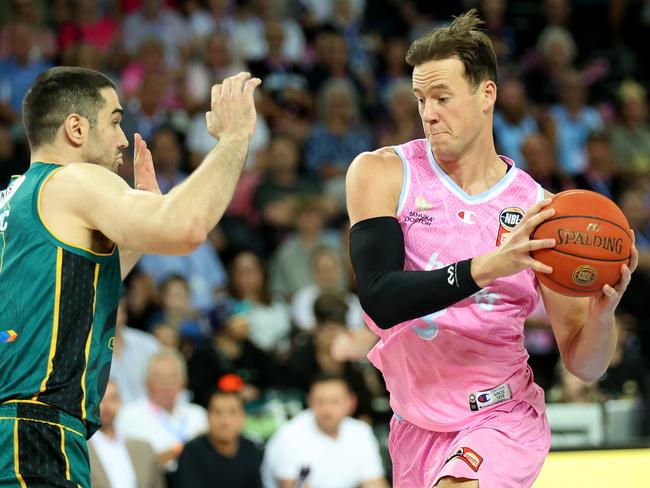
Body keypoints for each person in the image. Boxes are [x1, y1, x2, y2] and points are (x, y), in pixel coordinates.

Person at [345, 9, 638, 488]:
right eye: (421, 99)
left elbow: (584, 365)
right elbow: (379, 296)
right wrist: (489, 266)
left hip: (502, 414)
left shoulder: (543, 212)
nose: (428, 113)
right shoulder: (382, 173)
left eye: (442, 97)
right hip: (415, 422)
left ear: (487, 95)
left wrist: (603, 315)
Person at [0, 66, 260, 487]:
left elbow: (69, 294)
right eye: (116, 121)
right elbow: (187, 227)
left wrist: (138, 236)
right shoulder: (74, 179)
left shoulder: (15, 198)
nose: (123, 138)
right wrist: (236, 137)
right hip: (35, 429)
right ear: (77, 129)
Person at [261, 373, 387, 488]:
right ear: (310, 402)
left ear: (351, 402)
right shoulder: (289, 436)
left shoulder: (361, 432)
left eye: (335, 401)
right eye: (320, 402)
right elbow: (291, 485)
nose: (327, 409)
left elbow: (374, 482)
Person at [176, 387, 263, 488]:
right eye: (217, 412)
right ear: (208, 416)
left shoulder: (250, 448)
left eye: (232, 412)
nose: (224, 420)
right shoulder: (192, 452)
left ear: (243, 418)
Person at [88, 380, 164, 488]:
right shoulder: (79, 449)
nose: (106, 405)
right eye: (100, 399)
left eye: (113, 398)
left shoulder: (144, 449)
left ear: (120, 402)